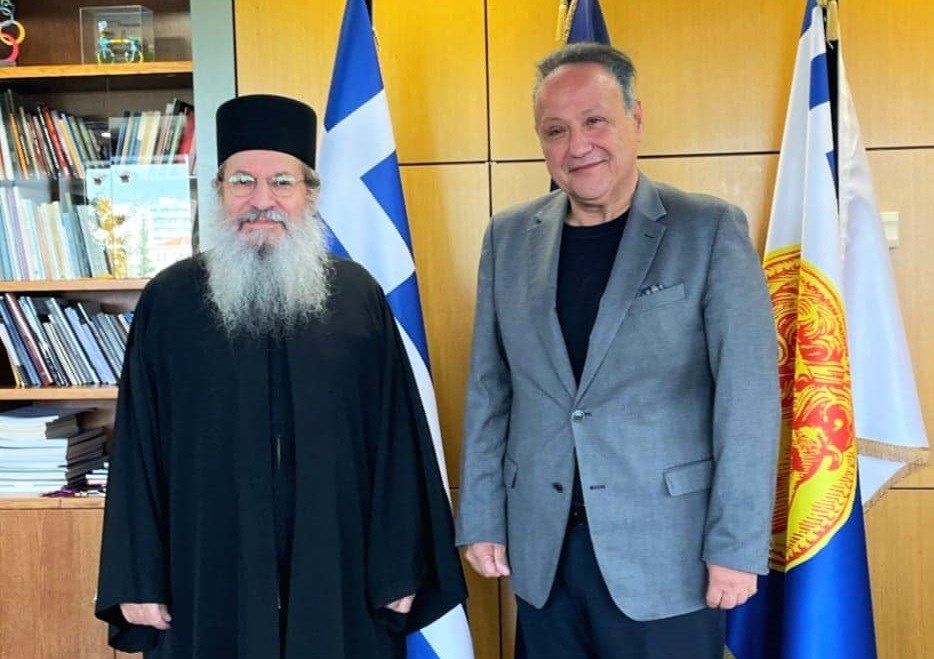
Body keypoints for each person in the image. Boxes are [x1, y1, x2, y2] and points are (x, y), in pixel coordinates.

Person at [95, 93, 466, 658]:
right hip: (203, 575)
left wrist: (401, 568)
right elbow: (137, 449)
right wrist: (138, 579)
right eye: (242, 181)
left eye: (282, 183)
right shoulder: (169, 302)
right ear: (219, 191)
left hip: (340, 572)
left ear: (310, 194)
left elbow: (398, 443)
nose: (262, 200)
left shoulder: (357, 297)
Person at [456, 43, 780, 658]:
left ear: (636, 119)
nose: (577, 145)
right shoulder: (507, 238)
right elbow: (489, 390)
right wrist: (481, 516)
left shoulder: (707, 229)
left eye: (595, 120)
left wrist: (736, 546)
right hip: (543, 553)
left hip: (670, 557)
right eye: (556, 130)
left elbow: (748, 402)